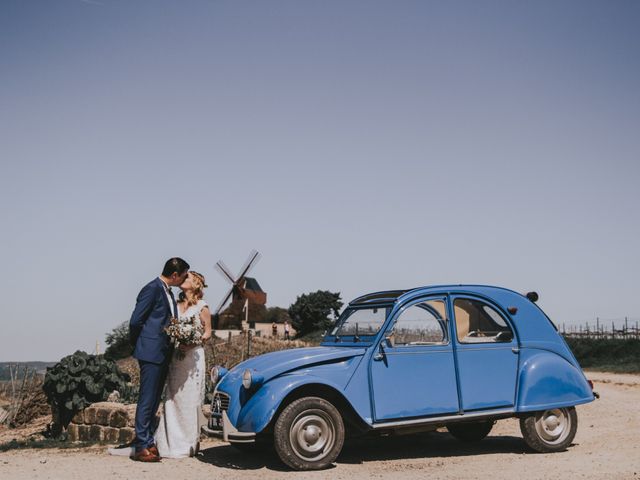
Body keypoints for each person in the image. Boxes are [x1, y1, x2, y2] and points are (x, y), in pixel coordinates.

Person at [128, 257, 190, 462]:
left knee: (154, 399)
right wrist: (142, 344)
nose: (183, 280)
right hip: (151, 350)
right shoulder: (152, 289)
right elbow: (136, 320)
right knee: (147, 398)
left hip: (163, 352)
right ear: (174, 275)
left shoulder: (168, 291)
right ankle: (140, 446)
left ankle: (147, 441)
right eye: (182, 276)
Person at [154, 271, 212, 458]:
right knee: (173, 398)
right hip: (177, 359)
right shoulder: (176, 306)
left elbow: (207, 333)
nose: (182, 280)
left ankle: (187, 444)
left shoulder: (203, 307)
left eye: (187, 278)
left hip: (193, 359)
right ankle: (168, 443)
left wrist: (192, 342)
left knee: (190, 401)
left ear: (196, 284)